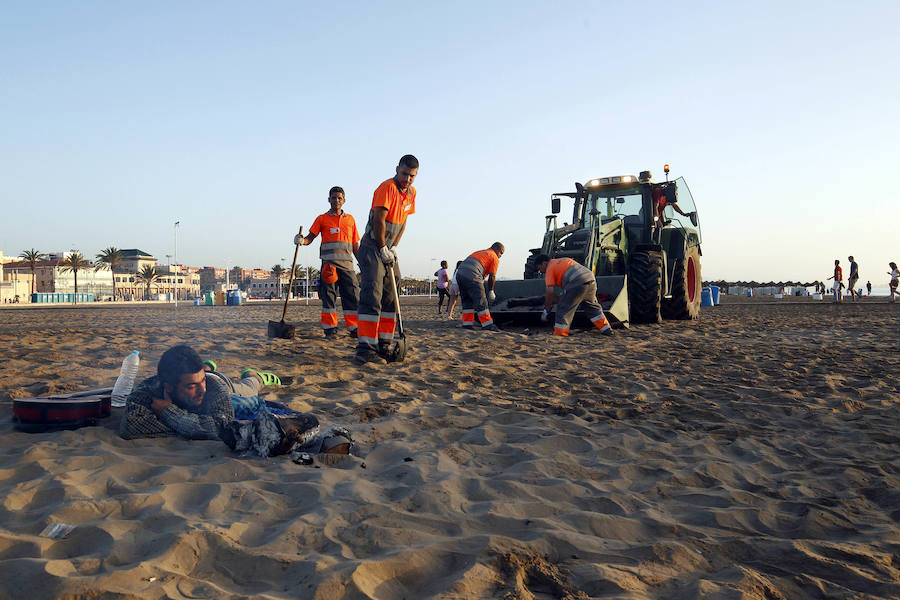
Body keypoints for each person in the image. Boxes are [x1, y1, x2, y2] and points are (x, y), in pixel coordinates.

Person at [119, 345, 280, 440]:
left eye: (200, 382)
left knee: (248, 390)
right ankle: (207, 368)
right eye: (191, 386)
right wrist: (197, 425)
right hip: (204, 376)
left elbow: (220, 427)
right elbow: (131, 427)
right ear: (168, 387)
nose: (201, 390)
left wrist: (169, 413)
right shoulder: (147, 392)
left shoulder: (211, 387)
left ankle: (255, 376)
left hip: (222, 383)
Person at [355, 155, 419, 364]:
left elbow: (403, 222)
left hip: (388, 249)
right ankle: (365, 347)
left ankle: (384, 343)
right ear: (397, 169)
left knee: (392, 293)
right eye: (404, 174)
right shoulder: (387, 187)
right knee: (372, 295)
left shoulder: (411, 194)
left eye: (412, 176)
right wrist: (383, 246)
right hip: (372, 246)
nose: (407, 179)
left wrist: (394, 247)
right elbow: (380, 221)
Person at [295, 186, 361, 338]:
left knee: (352, 298)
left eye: (339, 198)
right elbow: (310, 238)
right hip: (329, 266)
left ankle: (355, 329)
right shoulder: (321, 219)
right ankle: (330, 330)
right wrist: (301, 241)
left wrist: (362, 263)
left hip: (347, 267)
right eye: (333, 197)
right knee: (328, 298)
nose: (336, 200)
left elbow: (355, 245)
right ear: (328, 200)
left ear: (344, 200)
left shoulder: (350, 219)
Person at [535, 254, 613, 337]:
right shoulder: (565, 260)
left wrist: (546, 309)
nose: (541, 271)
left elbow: (550, 292)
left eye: (539, 268)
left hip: (576, 282)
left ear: (544, 263)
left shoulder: (550, 268)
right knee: (591, 306)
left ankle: (560, 334)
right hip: (590, 279)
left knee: (563, 308)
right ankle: (606, 329)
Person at [456, 243, 504, 330]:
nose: (500, 256)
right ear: (496, 249)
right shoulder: (494, 257)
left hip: (460, 275)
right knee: (481, 301)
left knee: (467, 301)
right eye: (501, 253)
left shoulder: (481, 252)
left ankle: (467, 324)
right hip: (473, 275)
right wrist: (491, 291)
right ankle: (487, 325)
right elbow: (492, 276)